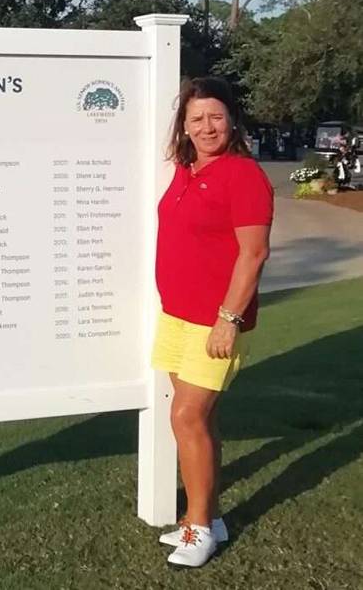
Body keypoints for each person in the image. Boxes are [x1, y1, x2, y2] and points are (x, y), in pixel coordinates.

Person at [151, 76, 273, 568]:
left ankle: (198, 528)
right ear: (183, 125)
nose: (207, 126)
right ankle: (210, 518)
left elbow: (254, 253)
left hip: (213, 321)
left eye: (216, 116)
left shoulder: (242, 174)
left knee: (186, 417)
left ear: (232, 120)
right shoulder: (185, 169)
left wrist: (229, 319)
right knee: (200, 420)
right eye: (197, 118)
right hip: (177, 317)